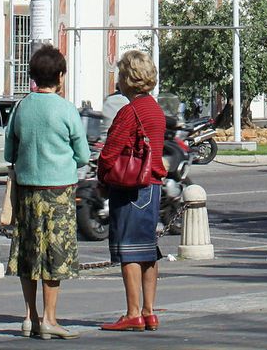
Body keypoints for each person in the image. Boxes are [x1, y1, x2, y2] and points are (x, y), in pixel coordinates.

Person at [3, 44, 88, 340]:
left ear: (34, 76)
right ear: (60, 76)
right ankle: (50, 318)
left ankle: (30, 317)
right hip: (58, 190)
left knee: (28, 252)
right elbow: (83, 155)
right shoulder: (65, 109)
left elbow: (8, 150)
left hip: (27, 190)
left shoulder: (22, 107)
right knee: (54, 254)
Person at [98, 49, 167, 333]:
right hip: (153, 186)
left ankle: (132, 313)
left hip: (130, 188)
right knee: (148, 249)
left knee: (129, 250)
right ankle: (150, 311)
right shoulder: (156, 110)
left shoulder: (129, 112)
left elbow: (109, 153)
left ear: (128, 78)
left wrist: (102, 177)